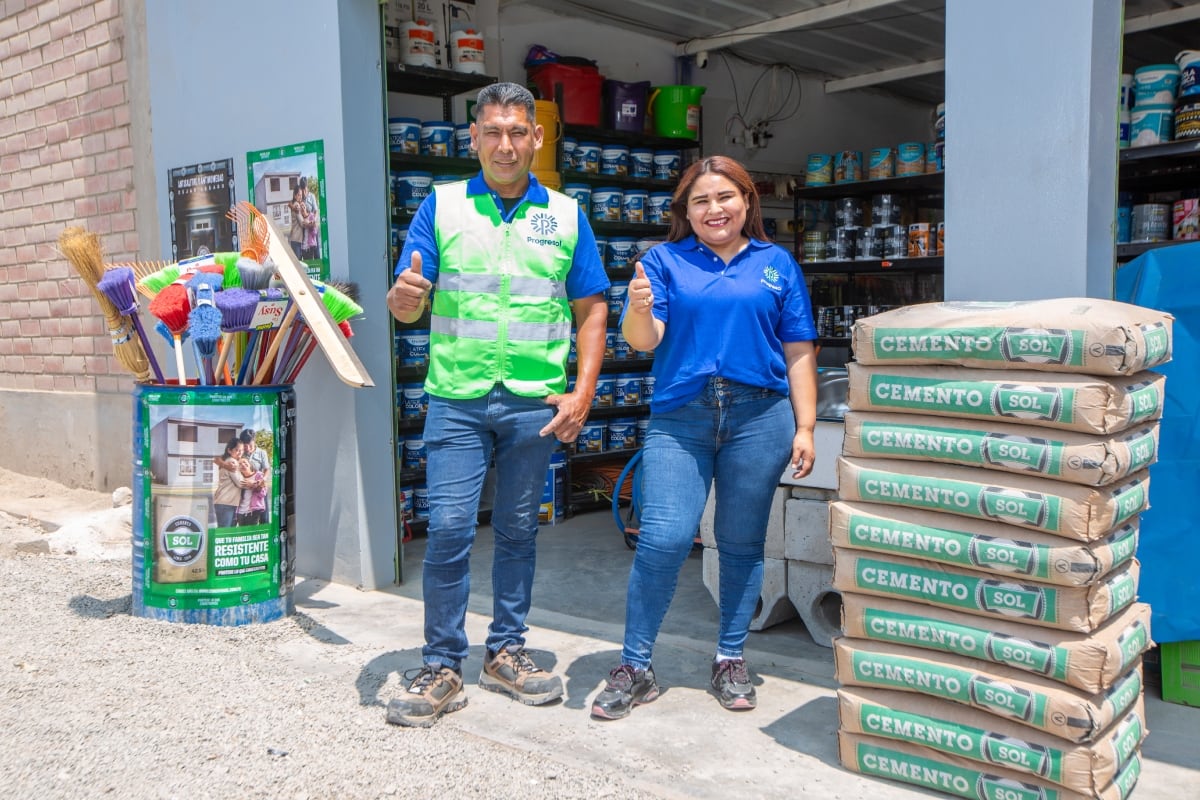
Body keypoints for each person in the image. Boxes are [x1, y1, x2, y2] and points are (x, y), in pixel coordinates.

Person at [384, 81, 610, 728]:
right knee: (451, 528)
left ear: (537, 138)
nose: (505, 145)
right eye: (492, 132)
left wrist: (584, 392)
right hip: (456, 398)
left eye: (518, 132)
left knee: (517, 531)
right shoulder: (441, 206)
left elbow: (592, 307)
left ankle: (505, 650)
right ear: (474, 138)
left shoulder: (565, 215)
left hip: (533, 403)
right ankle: (442, 663)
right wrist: (404, 300)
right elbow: (410, 298)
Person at [590, 155, 818, 720]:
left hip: (760, 418)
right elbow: (645, 340)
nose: (714, 209)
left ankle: (730, 658)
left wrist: (807, 425)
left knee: (741, 542)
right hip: (681, 416)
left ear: (747, 202)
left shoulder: (777, 264)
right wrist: (637, 309)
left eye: (725, 198)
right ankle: (636, 665)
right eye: (701, 201)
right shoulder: (662, 262)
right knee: (664, 538)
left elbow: (798, 349)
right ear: (685, 211)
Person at [212, 437, 248, 528]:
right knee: (225, 533)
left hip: (227, 503)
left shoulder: (228, 461)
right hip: (226, 503)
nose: (240, 452)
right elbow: (240, 483)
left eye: (242, 450)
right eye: (237, 450)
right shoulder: (232, 462)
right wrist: (254, 483)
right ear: (229, 450)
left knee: (227, 533)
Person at [300, 177, 320, 260]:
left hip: (313, 227)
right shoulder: (300, 197)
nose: (304, 192)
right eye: (302, 190)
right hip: (305, 228)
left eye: (305, 189)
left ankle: (319, 266)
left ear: (307, 187)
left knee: (316, 250)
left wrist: (313, 221)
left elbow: (316, 210)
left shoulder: (312, 196)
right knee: (307, 250)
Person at [288, 186, 306, 258]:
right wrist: (309, 222)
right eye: (298, 195)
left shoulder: (295, 204)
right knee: (298, 263)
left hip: (295, 238)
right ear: (295, 196)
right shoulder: (296, 205)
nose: (300, 197)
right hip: (296, 239)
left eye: (301, 195)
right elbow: (302, 223)